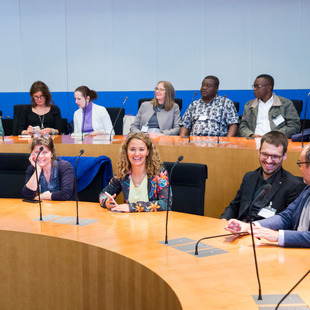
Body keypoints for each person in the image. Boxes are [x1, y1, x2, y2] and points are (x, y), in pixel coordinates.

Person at [225, 145, 310, 248]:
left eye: (301, 164)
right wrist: (250, 226)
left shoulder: (297, 185)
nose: (300, 168)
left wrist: (278, 236)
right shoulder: (307, 189)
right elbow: (287, 216)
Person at [220, 131, 305, 221]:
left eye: (275, 156)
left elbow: (288, 221)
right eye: (265, 154)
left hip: (264, 232)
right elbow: (234, 206)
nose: (268, 161)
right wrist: (224, 220)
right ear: (259, 152)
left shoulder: (293, 185)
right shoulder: (249, 177)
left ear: (284, 156)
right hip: (240, 228)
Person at [99, 132, 171, 212]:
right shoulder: (123, 172)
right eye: (132, 149)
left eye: (141, 149)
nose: (137, 154)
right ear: (127, 151)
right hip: (129, 222)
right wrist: (106, 202)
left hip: (154, 222)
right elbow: (103, 194)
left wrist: (132, 207)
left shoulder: (159, 172)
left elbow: (166, 204)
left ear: (147, 152)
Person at [239, 74, 300, 138]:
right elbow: (243, 126)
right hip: (253, 140)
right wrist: (251, 135)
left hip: (277, 141)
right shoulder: (249, 105)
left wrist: (273, 136)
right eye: (254, 86)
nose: (254, 89)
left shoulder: (286, 104)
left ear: (269, 88)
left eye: (257, 86)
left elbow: (294, 126)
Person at [22, 136, 75, 201]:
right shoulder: (32, 168)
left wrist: (42, 196)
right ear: (32, 154)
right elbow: (27, 195)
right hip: (42, 208)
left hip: (65, 207)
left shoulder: (65, 166)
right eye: (37, 152)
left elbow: (65, 194)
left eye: (45, 152)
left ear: (51, 154)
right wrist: (37, 171)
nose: (40, 156)